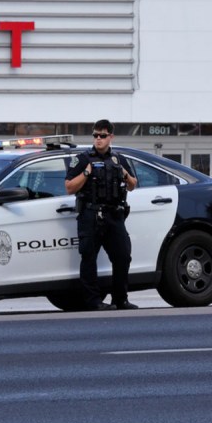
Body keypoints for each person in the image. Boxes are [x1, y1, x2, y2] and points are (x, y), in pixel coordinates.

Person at [65, 120, 138, 311]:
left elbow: (133, 184)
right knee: (89, 258)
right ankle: (93, 301)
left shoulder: (118, 159)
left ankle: (120, 299)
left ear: (111, 137)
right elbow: (69, 187)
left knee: (123, 256)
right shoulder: (82, 159)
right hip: (90, 215)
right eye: (96, 135)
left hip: (114, 214)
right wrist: (87, 173)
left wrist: (124, 173)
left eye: (102, 136)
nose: (98, 139)